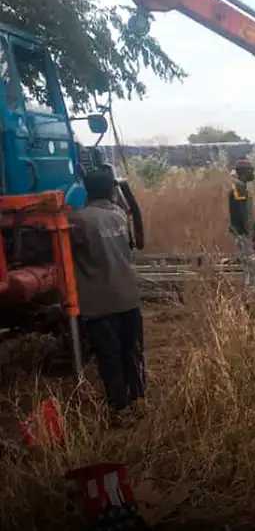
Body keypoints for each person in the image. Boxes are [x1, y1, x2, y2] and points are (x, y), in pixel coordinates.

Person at [68, 167, 145, 426]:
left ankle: (119, 409)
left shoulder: (79, 220)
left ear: (86, 191)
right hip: (128, 297)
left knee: (109, 356)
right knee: (131, 351)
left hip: (99, 303)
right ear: (111, 190)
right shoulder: (119, 214)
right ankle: (138, 399)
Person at [229, 157, 255, 259]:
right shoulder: (239, 187)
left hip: (244, 233)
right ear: (245, 172)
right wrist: (249, 232)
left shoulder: (241, 186)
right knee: (250, 264)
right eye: (251, 170)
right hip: (243, 233)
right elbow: (242, 211)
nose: (253, 173)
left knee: (249, 264)